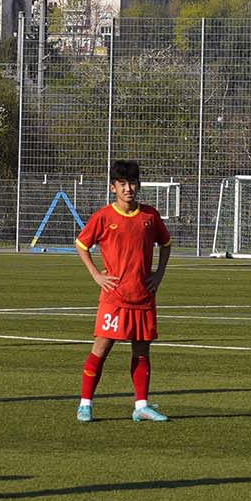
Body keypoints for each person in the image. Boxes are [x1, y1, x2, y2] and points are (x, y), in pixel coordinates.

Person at [74, 160, 171, 422]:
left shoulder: (150, 216)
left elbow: (166, 243)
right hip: (114, 298)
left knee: (142, 352)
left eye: (132, 183)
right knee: (100, 349)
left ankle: (141, 405)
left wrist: (159, 274)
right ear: (113, 187)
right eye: (123, 184)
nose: (129, 189)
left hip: (142, 295)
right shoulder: (104, 217)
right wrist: (96, 274)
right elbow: (81, 244)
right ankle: (86, 404)